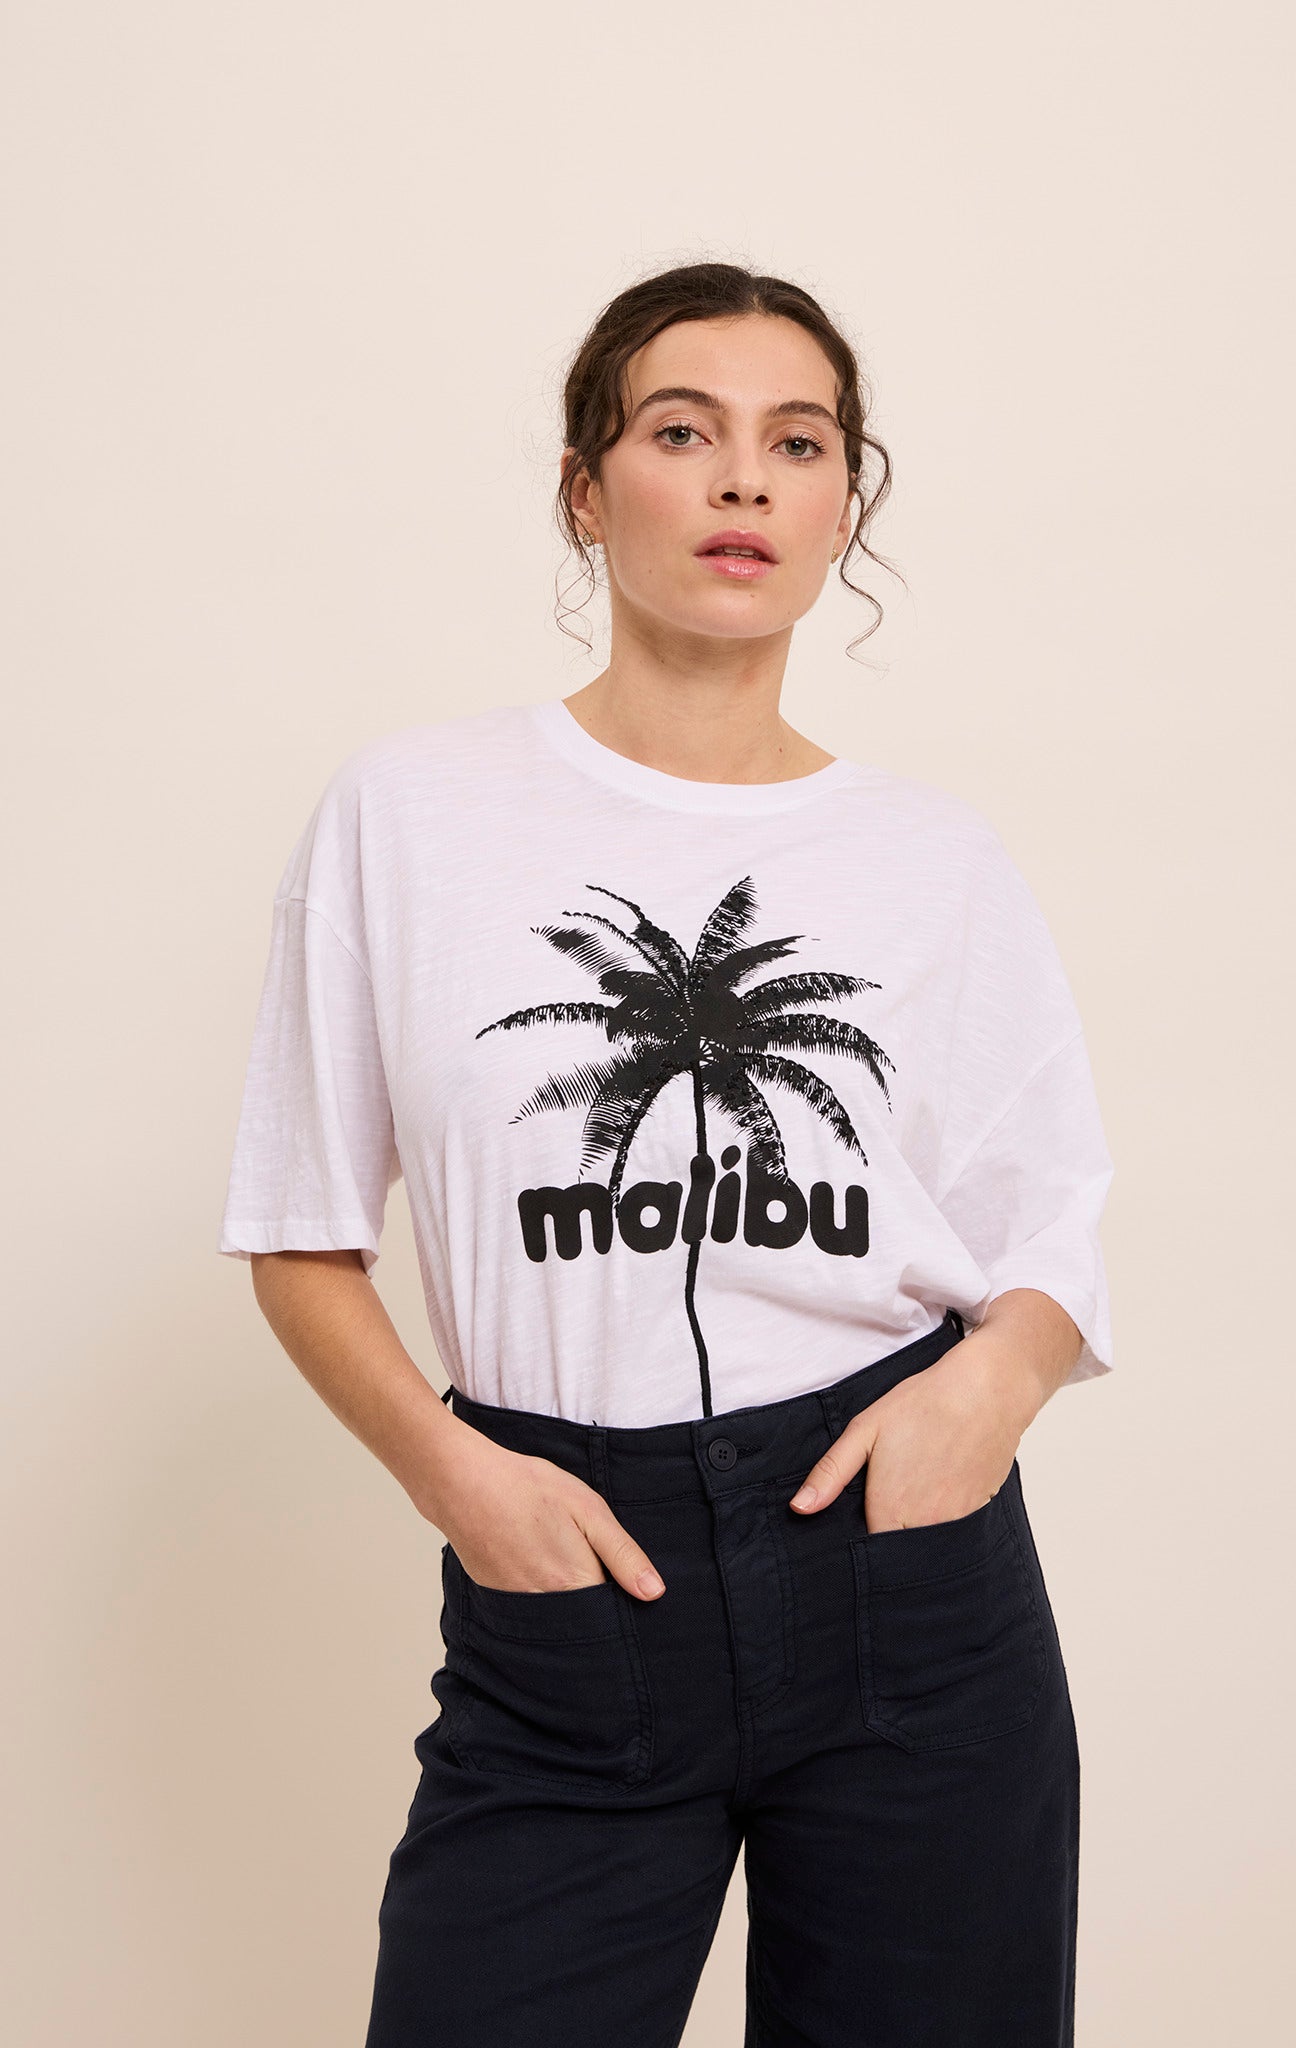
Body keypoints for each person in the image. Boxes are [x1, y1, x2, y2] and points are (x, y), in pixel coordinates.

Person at [217, 260, 1115, 2047]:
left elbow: (1048, 1228)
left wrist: (979, 1400)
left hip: (903, 1578)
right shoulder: (409, 813)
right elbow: (298, 1230)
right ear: (585, 488)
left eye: (799, 442)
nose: (743, 479)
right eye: (682, 432)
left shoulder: (933, 858)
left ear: (842, 503)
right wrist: (456, 1477)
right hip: (565, 1581)